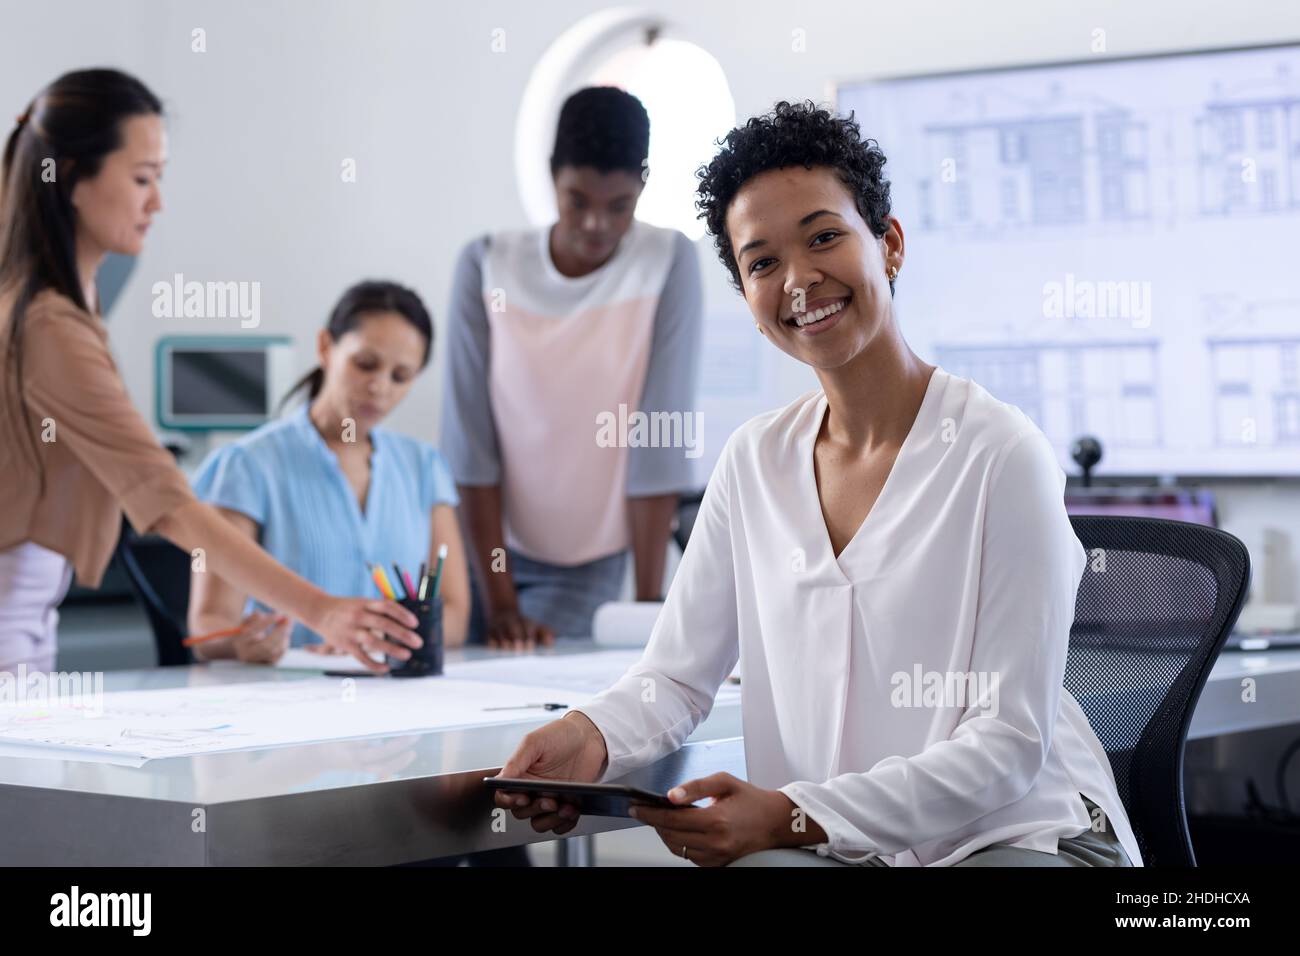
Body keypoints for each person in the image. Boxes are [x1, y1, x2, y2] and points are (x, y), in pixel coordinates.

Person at [493, 101, 1142, 868]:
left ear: (888, 244)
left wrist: (792, 815)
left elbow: (1005, 747)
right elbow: (674, 678)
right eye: (762, 262)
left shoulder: (1003, 454)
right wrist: (587, 736)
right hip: (845, 844)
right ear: (747, 294)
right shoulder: (753, 462)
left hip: (1016, 835)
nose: (799, 280)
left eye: (825, 237)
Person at [0, 69, 420, 673]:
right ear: (69, 178)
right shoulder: (48, 324)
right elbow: (164, 498)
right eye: (143, 179)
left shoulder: (69, 304)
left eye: (161, 179)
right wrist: (322, 610)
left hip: (34, 611)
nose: (157, 202)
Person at [441, 86, 702, 648]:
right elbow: (469, 443)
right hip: (480, 548)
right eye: (576, 200)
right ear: (551, 176)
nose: (595, 226)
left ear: (643, 187)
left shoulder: (668, 261)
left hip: (588, 562)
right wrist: (501, 601)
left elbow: (658, 442)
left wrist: (647, 609)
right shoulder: (486, 262)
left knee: (540, 703)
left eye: (619, 206)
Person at [187, 280, 471, 662]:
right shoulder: (248, 465)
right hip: (285, 695)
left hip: (393, 694)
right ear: (325, 347)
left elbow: (453, 614)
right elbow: (208, 626)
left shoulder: (424, 466)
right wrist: (239, 644)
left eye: (400, 376)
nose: (378, 387)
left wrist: (375, 637)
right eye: (365, 364)